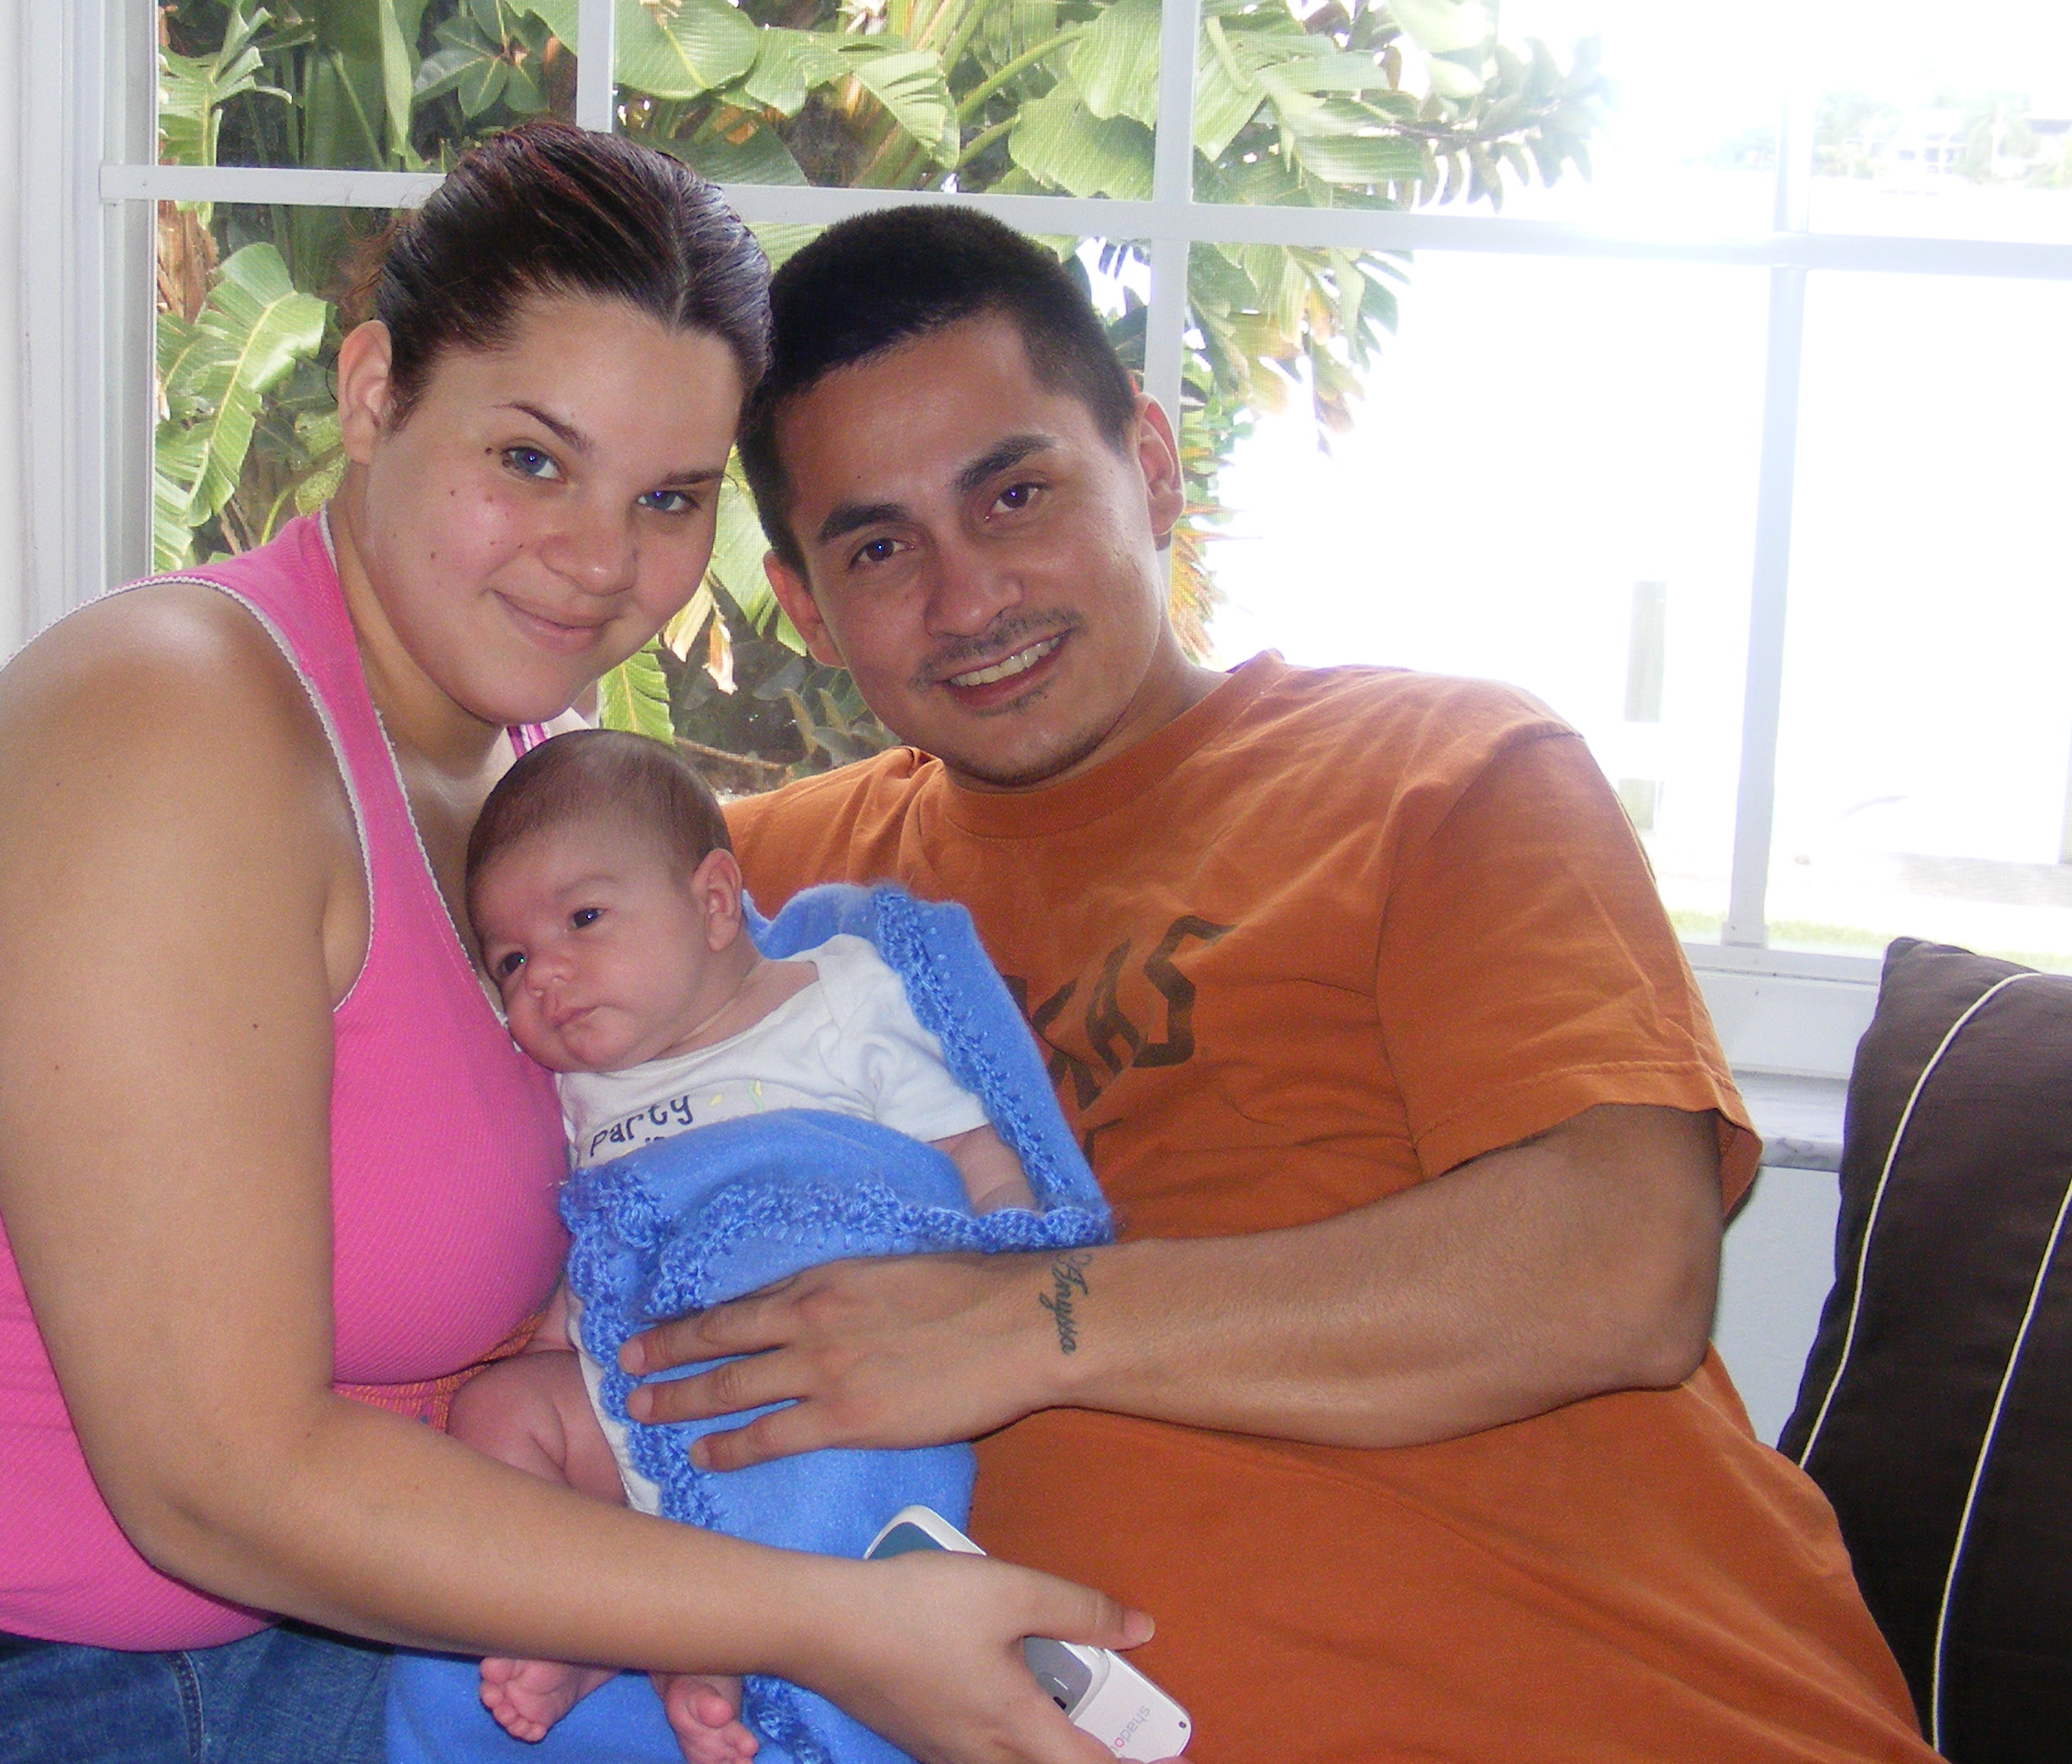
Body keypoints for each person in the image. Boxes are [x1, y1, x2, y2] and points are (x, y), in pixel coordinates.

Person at [0, 131, 1146, 1764]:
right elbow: (214, 1477)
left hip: (295, 1644)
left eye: (667, 497)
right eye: (532, 458)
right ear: (376, 391)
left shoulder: (530, 782)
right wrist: (821, 1622)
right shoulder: (170, 713)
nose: (600, 559)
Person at [606, 204, 1936, 1761]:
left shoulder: (1433, 772)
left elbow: (1618, 1266)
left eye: (1016, 494)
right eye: (880, 548)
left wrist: (1018, 1325)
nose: (968, 602)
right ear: (804, 605)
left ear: (1152, 465)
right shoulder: (729, 901)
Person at [445, 729, 1032, 1761]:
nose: (546, 975)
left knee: (798, 1488)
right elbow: (612, 1234)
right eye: (512, 961)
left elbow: (966, 1148)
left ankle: (701, 1636)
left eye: (583, 918)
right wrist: (555, 1340)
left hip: (817, 1361)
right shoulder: (579, 1091)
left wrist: (1010, 1275)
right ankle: (595, 1620)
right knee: (495, 1414)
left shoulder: (833, 995)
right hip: (645, 1379)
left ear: (715, 903)